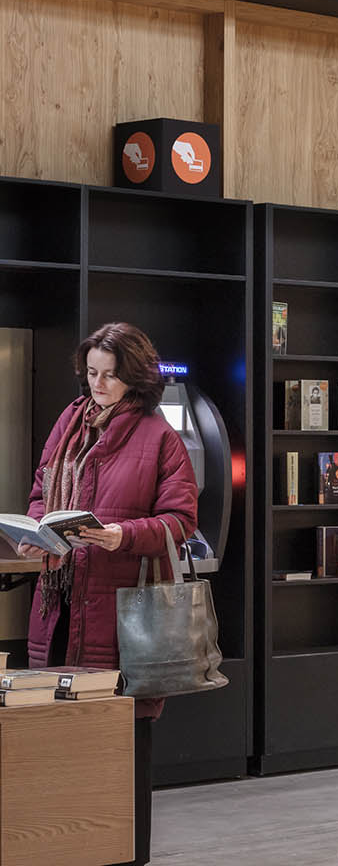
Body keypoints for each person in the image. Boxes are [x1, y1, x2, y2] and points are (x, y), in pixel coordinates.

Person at [18, 322, 198, 866]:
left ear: (135, 378)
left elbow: (181, 520)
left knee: (121, 735)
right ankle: (65, 845)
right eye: (91, 373)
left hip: (119, 613)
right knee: (57, 732)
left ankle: (126, 851)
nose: (97, 384)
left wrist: (124, 535)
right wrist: (34, 530)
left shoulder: (160, 437)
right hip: (57, 604)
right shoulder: (69, 423)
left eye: (110, 376)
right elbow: (40, 490)